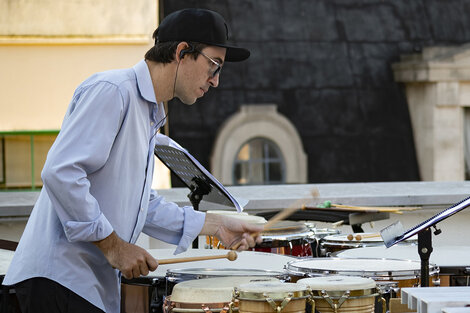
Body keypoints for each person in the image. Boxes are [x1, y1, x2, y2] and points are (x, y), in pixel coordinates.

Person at [3, 8, 262, 313]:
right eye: (214, 65)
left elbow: (141, 206)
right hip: (55, 283)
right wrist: (114, 247)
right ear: (181, 52)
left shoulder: (149, 113)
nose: (215, 80)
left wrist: (217, 225)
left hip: (83, 290)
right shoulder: (113, 91)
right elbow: (61, 173)